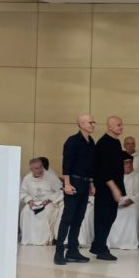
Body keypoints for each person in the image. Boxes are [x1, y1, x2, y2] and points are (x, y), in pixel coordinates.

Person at [55, 114, 96, 265]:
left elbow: (90, 165)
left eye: (93, 122)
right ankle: (59, 252)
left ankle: (72, 251)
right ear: (81, 124)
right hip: (73, 183)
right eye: (90, 122)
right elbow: (66, 163)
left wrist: (91, 183)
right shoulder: (72, 141)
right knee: (67, 218)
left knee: (78, 219)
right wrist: (66, 184)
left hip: (85, 184)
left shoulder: (91, 142)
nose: (93, 124)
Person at [90, 116, 126, 261]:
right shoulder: (104, 143)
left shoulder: (116, 142)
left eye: (121, 124)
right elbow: (103, 170)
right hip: (105, 188)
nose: (121, 127)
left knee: (110, 217)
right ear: (109, 127)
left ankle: (99, 245)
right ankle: (100, 248)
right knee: (103, 218)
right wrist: (114, 188)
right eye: (118, 125)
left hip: (113, 186)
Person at [19, 158, 62, 246]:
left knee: (46, 212)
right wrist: (29, 201)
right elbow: (23, 192)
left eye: (41, 167)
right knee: (25, 212)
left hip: (48, 202)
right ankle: (29, 239)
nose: (40, 170)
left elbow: (60, 190)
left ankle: (45, 240)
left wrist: (49, 199)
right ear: (31, 169)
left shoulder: (50, 177)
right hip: (33, 203)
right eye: (36, 168)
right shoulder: (27, 178)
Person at [107, 153, 139, 250]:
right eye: (125, 163)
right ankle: (112, 242)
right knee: (111, 212)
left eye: (130, 162)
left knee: (131, 212)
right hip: (118, 202)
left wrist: (131, 200)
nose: (128, 165)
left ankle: (130, 242)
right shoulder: (116, 177)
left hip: (135, 202)